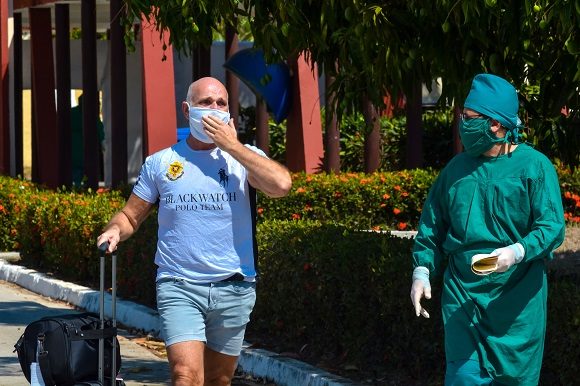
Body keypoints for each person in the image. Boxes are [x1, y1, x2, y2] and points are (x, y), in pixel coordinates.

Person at [97, 77, 292, 386]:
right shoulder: (161, 163)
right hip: (179, 284)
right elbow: (130, 217)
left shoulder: (245, 158)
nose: (213, 109)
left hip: (235, 285)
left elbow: (281, 185)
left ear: (229, 112)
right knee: (185, 375)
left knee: (218, 379)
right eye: (205, 103)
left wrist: (233, 147)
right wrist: (114, 231)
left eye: (221, 103)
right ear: (187, 111)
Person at [410, 73, 565, 385]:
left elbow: (552, 227)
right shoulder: (455, 171)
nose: (462, 122)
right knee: (463, 377)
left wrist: (517, 251)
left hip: (517, 310)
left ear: (496, 123)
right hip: (463, 303)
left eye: (469, 117)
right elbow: (432, 227)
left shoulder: (534, 168)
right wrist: (422, 272)